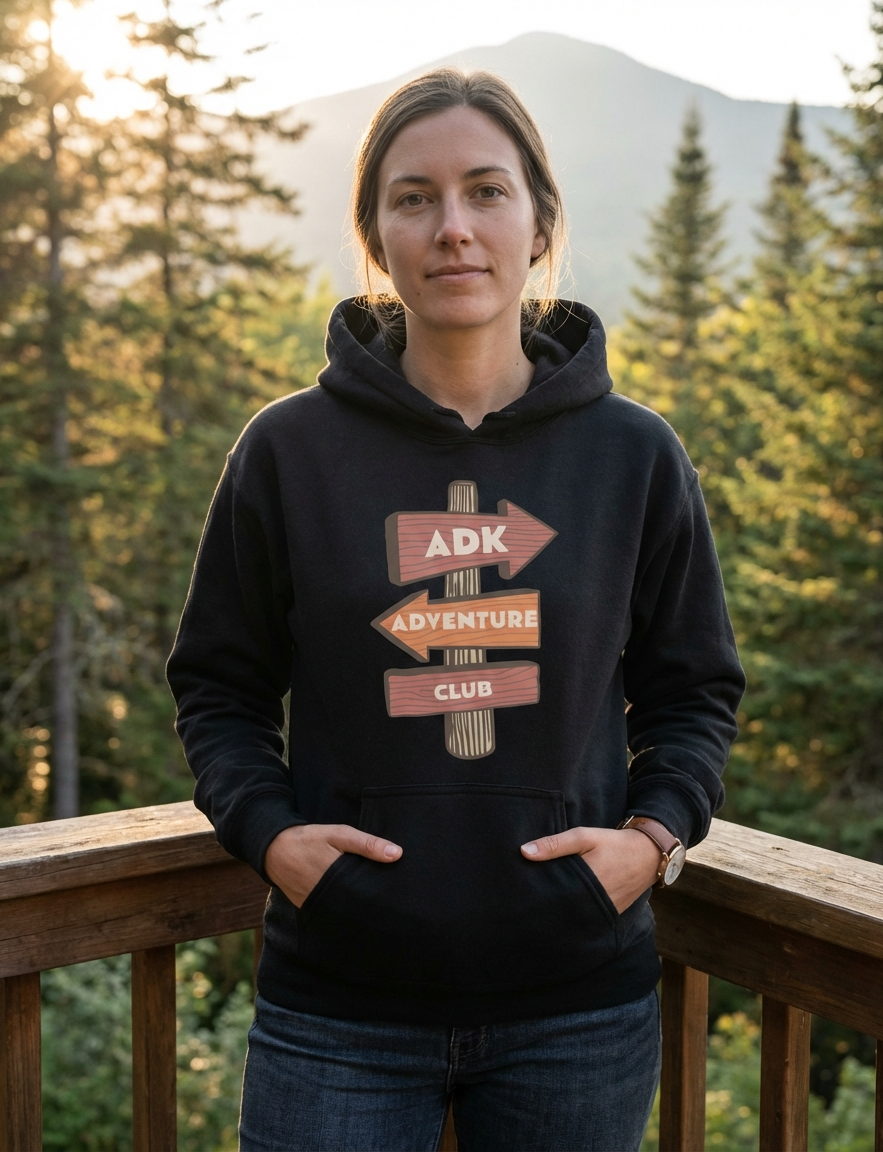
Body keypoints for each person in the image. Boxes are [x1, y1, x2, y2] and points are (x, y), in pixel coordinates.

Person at [167, 67, 745, 1152]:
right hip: (336, 1006)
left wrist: (652, 839)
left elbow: (694, 689)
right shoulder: (287, 453)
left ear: (538, 226)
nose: (453, 229)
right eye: (413, 198)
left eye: (486, 191)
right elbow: (218, 686)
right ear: (377, 237)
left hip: (577, 1006)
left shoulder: (634, 455)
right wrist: (277, 841)